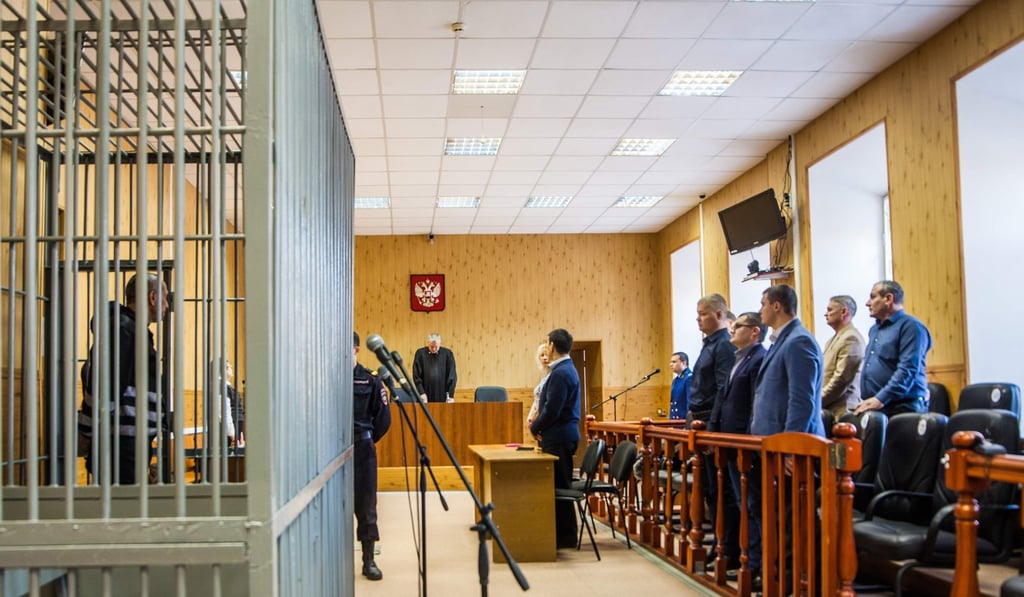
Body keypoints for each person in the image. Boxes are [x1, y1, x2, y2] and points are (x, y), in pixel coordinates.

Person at [79, 272, 168, 485]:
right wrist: (87, 432)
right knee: (124, 511)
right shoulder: (124, 330)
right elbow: (103, 389)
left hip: (125, 443)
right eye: (165, 298)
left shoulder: (130, 330)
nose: (166, 305)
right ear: (153, 297)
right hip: (120, 447)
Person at [710, 312, 767, 580]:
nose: (732, 329)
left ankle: (756, 564)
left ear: (754, 331)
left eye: (739, 326)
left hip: (746, 445)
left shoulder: (758, 359)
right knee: (743, 504)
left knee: (753, 506)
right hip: (731, 444)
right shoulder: (739, 358)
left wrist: (747, 440)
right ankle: (748, 559)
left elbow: (756, 404)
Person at [688, 293, 738, 571]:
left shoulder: (724, 346)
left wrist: (713, 427)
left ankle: (728, 548)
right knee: (710, 491)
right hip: (701, 423)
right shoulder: (708, 345)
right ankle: (719, 543)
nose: (698, 319)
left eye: (703, 314)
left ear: (719, 314)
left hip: (711, 425)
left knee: (722, 492)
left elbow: (723, 389)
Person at [529, 328, 581, 549]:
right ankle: (561, 534)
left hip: (559, 437)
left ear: (551, 345)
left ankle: (566, 537)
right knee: (558, 486)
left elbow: (552, 410)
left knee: (560, 487)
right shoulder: (564, 369)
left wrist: (535, 428)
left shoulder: (561, 373)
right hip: (559, 435)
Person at [751, 284, 826, 437]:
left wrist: (791, 445)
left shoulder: (799, 341)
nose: (760, 311)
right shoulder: (781, 340)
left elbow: (802, 400)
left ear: (776, 306)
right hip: (772, 441)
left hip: (791, 446)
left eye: (763, 304)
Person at [854, 280, 932, 417]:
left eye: (873, 297)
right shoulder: (875, 329)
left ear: (888, 299)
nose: (867, 303)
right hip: (876, 405)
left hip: (902, 408)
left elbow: (907, 369)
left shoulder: (911, 327)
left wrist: (881, 398)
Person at [353, 332, 392, 581]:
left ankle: (369, 560)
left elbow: (384, 419)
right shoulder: (325, 380)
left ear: (356, 350)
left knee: (367, 507)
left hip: (362, 450)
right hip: (330, 452)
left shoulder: (370, 381)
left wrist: (366, 439)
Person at [821, 295, 865, 418]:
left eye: (830, 310)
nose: (826, 314)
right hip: (829, 409)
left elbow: (841, 380)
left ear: (844, 311)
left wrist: (816, 400)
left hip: (841, 411)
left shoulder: (851, 338)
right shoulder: (833, 339)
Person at [412, 333, 457, 403]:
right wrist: (421, 393)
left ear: (440, 344)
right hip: (425, 394)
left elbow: (452, 376)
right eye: (431, 346)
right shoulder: (420, 354)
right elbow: (416, 376)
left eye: (436, 347)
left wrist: (450, 395)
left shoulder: (448, 354)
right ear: (428, 343)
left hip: (443, 395)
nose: (434, 349)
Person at [526, 342, 551, 427]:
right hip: (538, 419)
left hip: (546, 419)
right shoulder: (543, 376)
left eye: (547, 355)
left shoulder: (554, 375)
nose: (544, 358)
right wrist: (530, 417)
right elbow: (537, 399)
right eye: (542, 355)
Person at [668, 352, 691, 420]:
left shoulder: (689, 378)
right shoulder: (676, 380)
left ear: (683, 363)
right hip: (675, 421)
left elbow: (689, 403)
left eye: (674, 362)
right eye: (671, 362)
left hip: (684, 421)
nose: (671, 364)